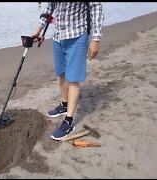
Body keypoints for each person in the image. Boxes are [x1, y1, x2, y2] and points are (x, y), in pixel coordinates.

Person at [32, 2, 104, 140]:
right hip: (59, 36)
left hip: (77, 36)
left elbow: (96, 8)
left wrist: (96, 39)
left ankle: (69, 121)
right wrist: (38, 31)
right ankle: (65, 104)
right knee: (62, 74)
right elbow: (50, 8)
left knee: (73, 80)